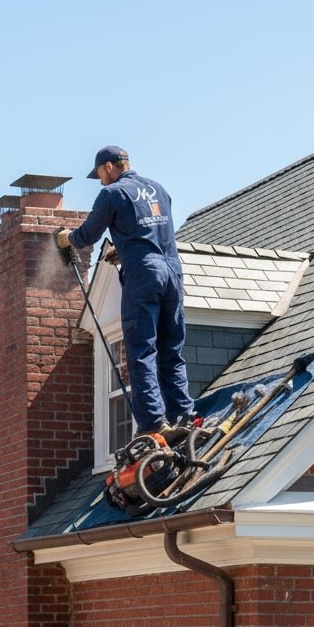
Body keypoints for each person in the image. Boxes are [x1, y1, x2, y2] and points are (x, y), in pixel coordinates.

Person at [56, 145, 195, 436]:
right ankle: (184, 414)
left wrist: (66, 238)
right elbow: (150, 231)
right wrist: (124, 249)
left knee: (142, 350)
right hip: (172, 272)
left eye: (99, 175)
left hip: (144, 276)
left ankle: (153, 423)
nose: (100, 181)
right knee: (171, 348)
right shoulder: (158, 189)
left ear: (108, 167)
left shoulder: (113, 193)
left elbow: (88, 235)